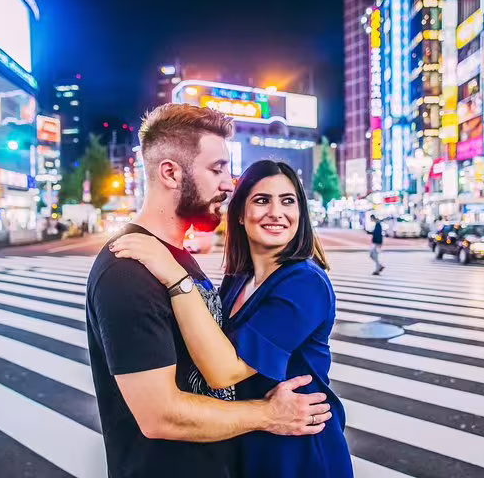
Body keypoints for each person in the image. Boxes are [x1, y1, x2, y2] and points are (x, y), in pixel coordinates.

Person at [86, 104, 331, 478]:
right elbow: (160, 416)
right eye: (217, 169)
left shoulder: (176, 259)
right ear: (170, 172)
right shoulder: (128, 268)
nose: (229, 183)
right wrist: (267, 414)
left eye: (288, 201)